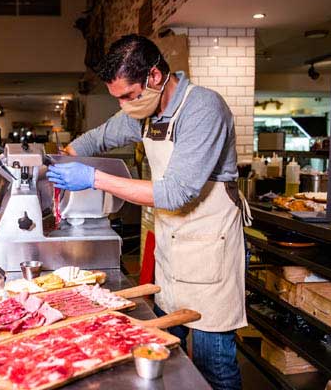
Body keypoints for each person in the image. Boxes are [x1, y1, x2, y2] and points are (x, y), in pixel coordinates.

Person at [46, 34, 248, 390]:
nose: (124, 106)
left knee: (212, 362)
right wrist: (63, 161)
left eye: (127, 95)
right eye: (117, 98)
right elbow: (95, 139)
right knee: (168, 357)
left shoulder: (202, 108)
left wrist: (93, 177)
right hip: (174, 249)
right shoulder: (142, 112)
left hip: (210, 251)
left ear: (154, 76)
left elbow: (174, 192)